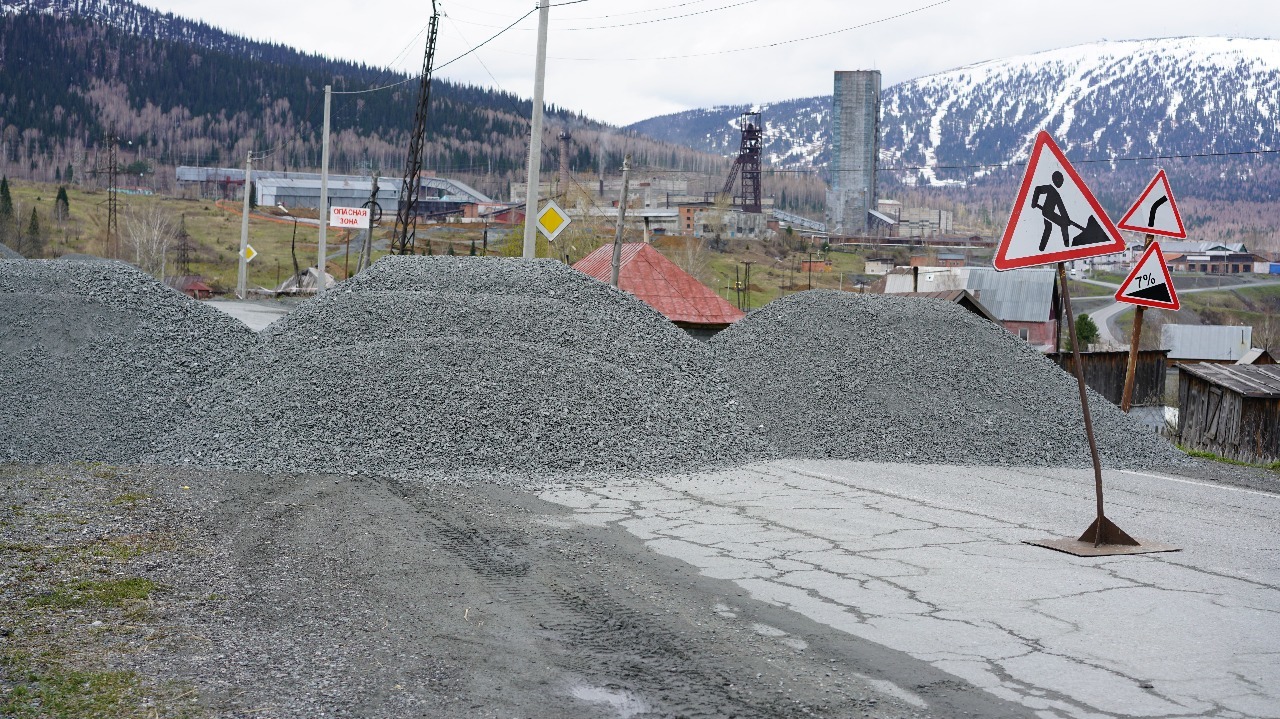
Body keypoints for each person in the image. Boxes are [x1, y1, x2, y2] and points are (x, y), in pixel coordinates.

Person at [1031, 171, 1071, 251]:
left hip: (1049, 213)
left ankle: (1041, 249)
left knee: (1049, 227)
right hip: (1047, 212)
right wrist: (1034, 202)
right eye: (1060, 180)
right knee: (1059, 225)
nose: (1062, 183)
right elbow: (1037, 189)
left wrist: (1067, 219)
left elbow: (1061, 208)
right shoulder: (1050, 188)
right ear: (1056, 180)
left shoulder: (1056, 194)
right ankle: (1066, 247)